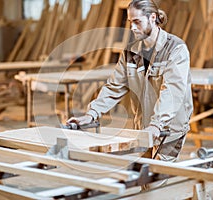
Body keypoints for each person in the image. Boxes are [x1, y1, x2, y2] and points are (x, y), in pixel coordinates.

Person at [67, 0, 193, 167]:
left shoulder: (175, 49)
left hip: (169, 129)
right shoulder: (130, 52)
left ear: (152, 18)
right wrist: (92, 113)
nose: (132, 28)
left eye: (137, 22)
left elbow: (172, 91)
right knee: (143, 179)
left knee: (155, 182)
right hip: (143, 127)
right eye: (130, 22)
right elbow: (114, 87)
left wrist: (157, 124)